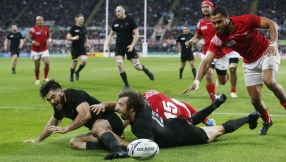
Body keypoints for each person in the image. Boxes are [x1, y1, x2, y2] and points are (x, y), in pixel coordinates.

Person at [182, 6, 286, 135]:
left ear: (227, 19)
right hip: (249, 62)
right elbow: (206, 61)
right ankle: (267, 121)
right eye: (214, 23)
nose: (216, 25)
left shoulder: (245, 20)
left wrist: (273, 43)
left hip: (267, 52)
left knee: (269, 81)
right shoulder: (219, 38)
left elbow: (272, 23)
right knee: (255, 101)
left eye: (219, 21)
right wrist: (197, 81)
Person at [93, 89, 259, 160]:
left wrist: (120, 143)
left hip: (183, 134)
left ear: (131, 109)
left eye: (121, 105)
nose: (117, 107)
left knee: (218, 130)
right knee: (193, 120)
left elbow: (148, 146)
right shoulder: (142, 107)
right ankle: (216, 105)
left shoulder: (140, 125)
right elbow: (118, 106)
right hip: (174, 123)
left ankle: (250, 117)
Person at [23, 80, 126, 154]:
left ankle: (121, 148)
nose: (52, 102)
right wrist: (38, 139)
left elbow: (86, 114)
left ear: (61, 92)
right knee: (74, 143)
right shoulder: (59, 107)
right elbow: (52, 123)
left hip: (111, 122)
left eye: (53, 97)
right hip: (99, 132)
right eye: (49, 100)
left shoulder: (74, 95)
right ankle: (111, 143)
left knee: (96, 126)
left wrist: (66, 128)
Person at [185, 1, 229, 102]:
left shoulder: (219, 20)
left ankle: (225, 77)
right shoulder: (200, 24)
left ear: (212, 8)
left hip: (221, 54)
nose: (205, 9)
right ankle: (213, 100)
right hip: (207, 53)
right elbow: (197, 37)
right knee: (208, 75)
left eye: (207, 6)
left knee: (223, 81)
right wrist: (191, 41)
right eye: (203, 7)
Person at [105, 5, 154, 89]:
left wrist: (132, 45)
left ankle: (146, 70)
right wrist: (107, 46)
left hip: (129, 46)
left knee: (137, 67)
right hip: (119, 46)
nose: (117, 13)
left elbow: (137, 34)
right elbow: (111, 35)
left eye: (119, 11)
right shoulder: (115, 22)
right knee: (119, 64)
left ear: (124, 11)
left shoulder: (130, 20)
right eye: (116, 11)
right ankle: (127, 85)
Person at [66, 14, 91, 82]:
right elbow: (68, 37)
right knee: (75, 62)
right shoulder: (73, 28)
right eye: (81, 19)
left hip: (82, 47)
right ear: (76, 19)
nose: (82, 20)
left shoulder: (84, 28)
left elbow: (86, 38)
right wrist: (74, 38)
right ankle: (71, 77)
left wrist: (87, 44)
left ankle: (77, 71)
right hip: (75, 48)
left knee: (84, 61)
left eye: (83, 19)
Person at [28, 16, 51, 85]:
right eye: (38, 20)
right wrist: (33, 42)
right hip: (35, 50)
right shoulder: (33, 29)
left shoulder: (46, 29)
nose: (40, 21)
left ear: (43, 21)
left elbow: (49, 36)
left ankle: (45, 77)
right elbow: (29, 38)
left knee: (47, 63)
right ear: (36, 21)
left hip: (44, 49)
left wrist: (49, 41)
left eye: (41, 20)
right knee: (37, 66)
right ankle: (37, 79)